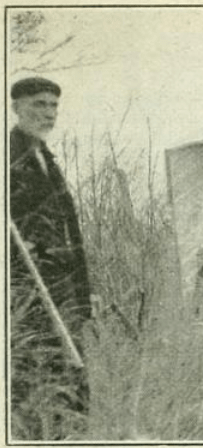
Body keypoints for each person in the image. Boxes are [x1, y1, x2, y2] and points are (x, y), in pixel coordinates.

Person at [9, 77, 92, 439]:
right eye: (39, 105)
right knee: (33, 387)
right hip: (28, 297)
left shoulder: (46, 157)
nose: (48, 113)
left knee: (71, 384)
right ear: (17, 108)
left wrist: (84, 295)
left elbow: (69, 235)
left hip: (63, 296)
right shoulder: (10, 158)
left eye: (53, 105)